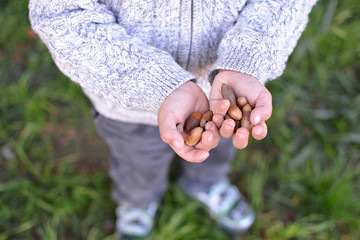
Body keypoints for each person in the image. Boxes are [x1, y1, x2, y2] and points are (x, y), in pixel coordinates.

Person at [29, 0, 318, 238]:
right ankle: (138, 202)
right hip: (127, 102)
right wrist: (157, 82)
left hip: (215, 102)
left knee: (216, 147)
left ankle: (206, 182)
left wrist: (246, 57)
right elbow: (61, 14)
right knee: (138, 161)